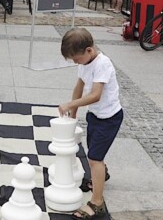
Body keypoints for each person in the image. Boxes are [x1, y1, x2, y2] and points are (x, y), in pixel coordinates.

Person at [57, 28, 122, 220]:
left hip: (109, 118)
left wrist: (70, 104)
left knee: (94, 159)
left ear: (88, 50)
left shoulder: (103, 64)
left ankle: (97, 203)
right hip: (95, 116)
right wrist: (73, 113)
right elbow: (79, 85)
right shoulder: (85, 63)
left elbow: (95, 95)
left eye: (76, 59)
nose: (76, 63)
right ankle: (102, 174)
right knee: (93, 152)